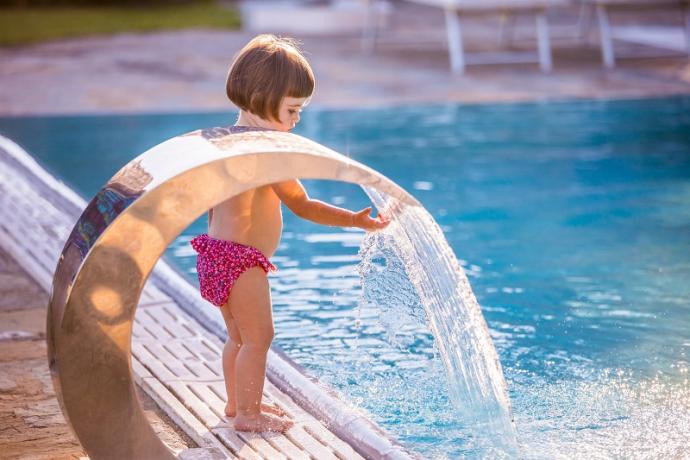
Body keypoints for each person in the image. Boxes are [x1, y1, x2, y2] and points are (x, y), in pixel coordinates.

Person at [190, 34, 390, 434]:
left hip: (213, 253)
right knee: (259, 339)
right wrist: (353, 219)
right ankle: (248, 414)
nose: (297, 120)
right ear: (263, 97)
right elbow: (304, 205)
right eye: (293, 110)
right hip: (242, 261)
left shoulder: (223, 142)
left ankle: (236, 403)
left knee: (238, 338)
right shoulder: (267, 154)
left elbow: (208, 202)